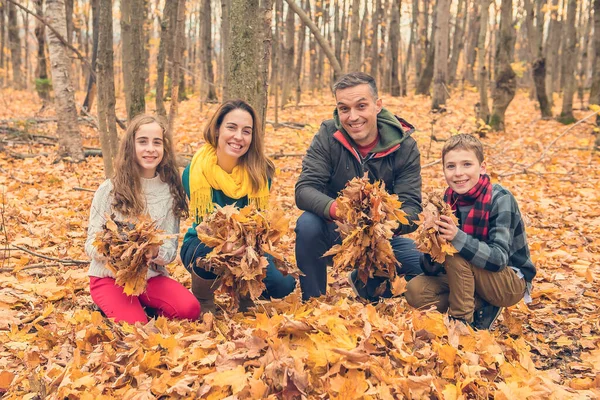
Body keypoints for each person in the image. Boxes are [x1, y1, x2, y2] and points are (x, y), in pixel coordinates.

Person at [295, 72, 423, 301]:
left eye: (361, 106)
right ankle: (313, 302)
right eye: (344, 109)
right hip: (336, 233)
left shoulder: (405, 146)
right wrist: (341, 212)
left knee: (425, 267)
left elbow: (413, 208)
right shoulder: (328, 135)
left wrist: (381, 222)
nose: (352, 117)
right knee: (307, 224)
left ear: (377, 106)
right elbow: (304, 189)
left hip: (382, 238)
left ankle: (367, 283)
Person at [404, 134, 536, 330]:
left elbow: (499, 259)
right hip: (465, 277)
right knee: (416, 291)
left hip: (507, 281)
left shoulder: (500, 198)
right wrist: (431, 242)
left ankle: (462, 323)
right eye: (451, 166)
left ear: (482, 167)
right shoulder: (445, 201)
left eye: (467, 164)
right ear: (444, 170)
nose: (458, 173)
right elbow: (432, 268)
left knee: (456, 252)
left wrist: (457, 237)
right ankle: (480, 306)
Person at [180, 99, 296, 313]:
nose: (238, 137)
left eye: (246, 131)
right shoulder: (195, 171)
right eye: (231, 127)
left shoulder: (260, 173)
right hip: (204, 242)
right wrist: (226, 246)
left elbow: (258, 223)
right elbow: (205, 229)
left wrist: (247, 248)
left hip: (247, 244)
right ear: (217, 130)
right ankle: (203, 297)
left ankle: (245, 293)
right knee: (207, 255)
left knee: (285, 285)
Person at [85, 114, 200, 324]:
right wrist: (117, 251)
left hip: (150, 278)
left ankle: (142, 304)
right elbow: (90, 245)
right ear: (131, 146)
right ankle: (116, 305)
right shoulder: (110, 189)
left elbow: (170, 252)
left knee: (190, 309)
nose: (150, 149)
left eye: (157, 142)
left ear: (164, 149)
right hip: (110, 278)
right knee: (137, 326)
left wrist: (154, 252)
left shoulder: (170, 192)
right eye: (143, 142)